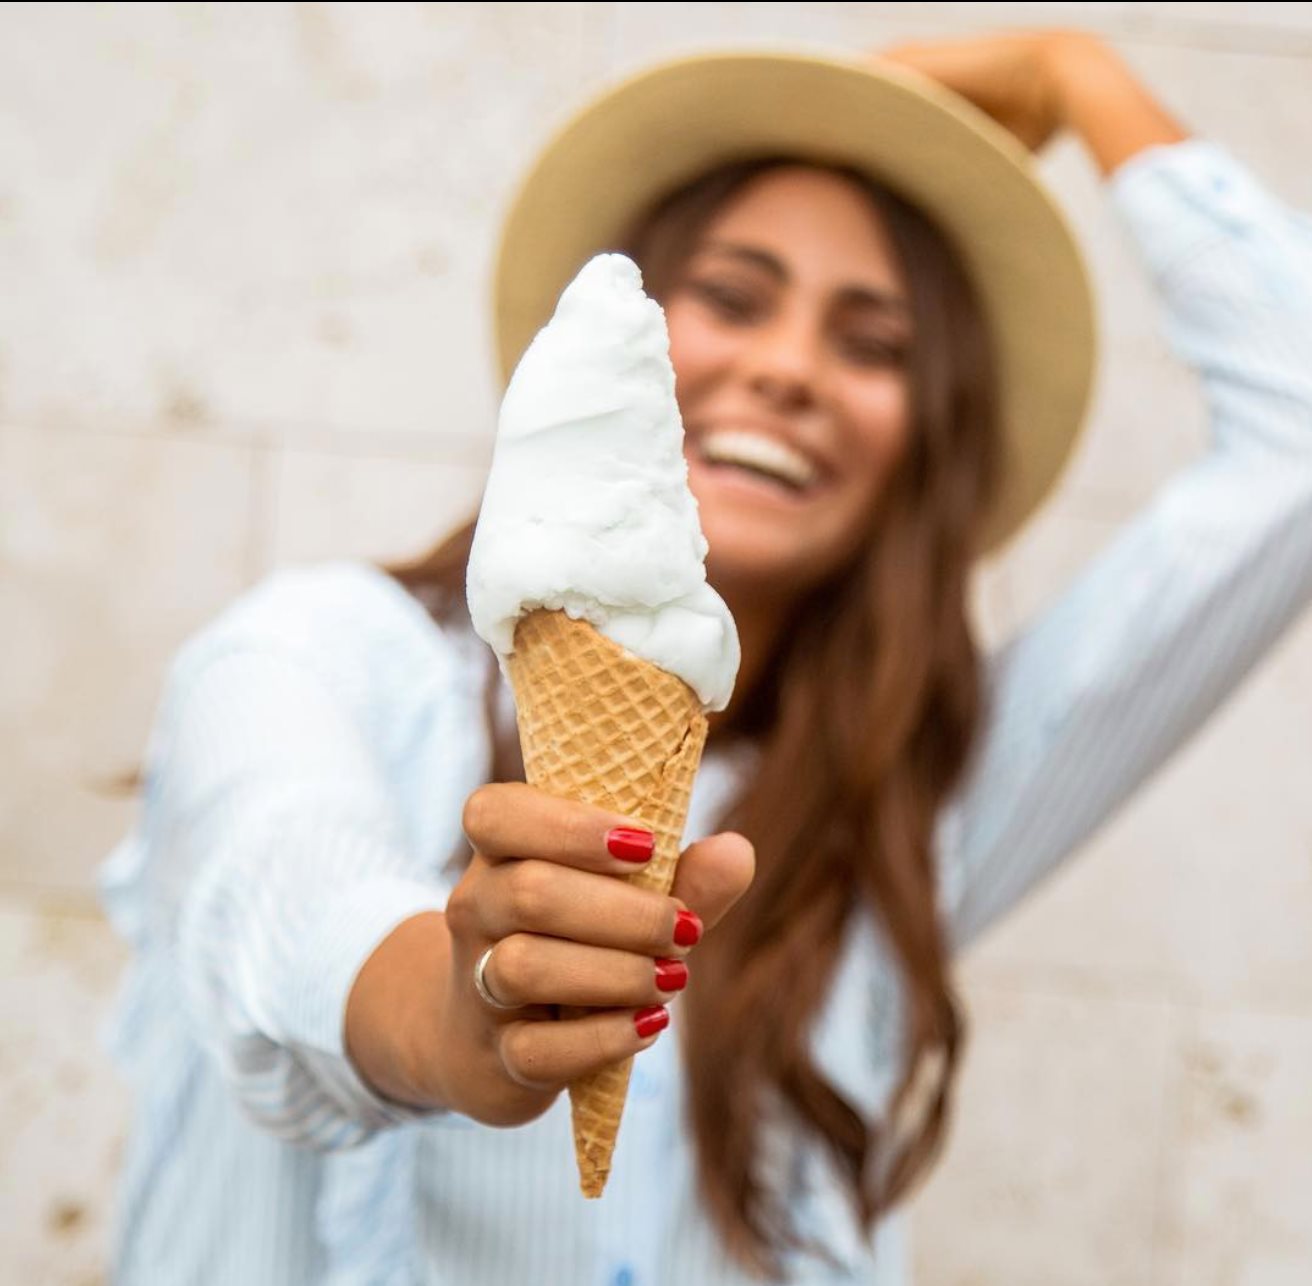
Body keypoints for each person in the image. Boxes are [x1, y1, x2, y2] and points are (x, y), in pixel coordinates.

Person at [99, 28, 1312, 1286]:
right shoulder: (318, 651)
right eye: (733, 298)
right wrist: (457, 1018)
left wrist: (1078, 72)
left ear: (925, 439)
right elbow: (283, 897)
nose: (788, 368)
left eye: (873, 343)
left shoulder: (909, 802)